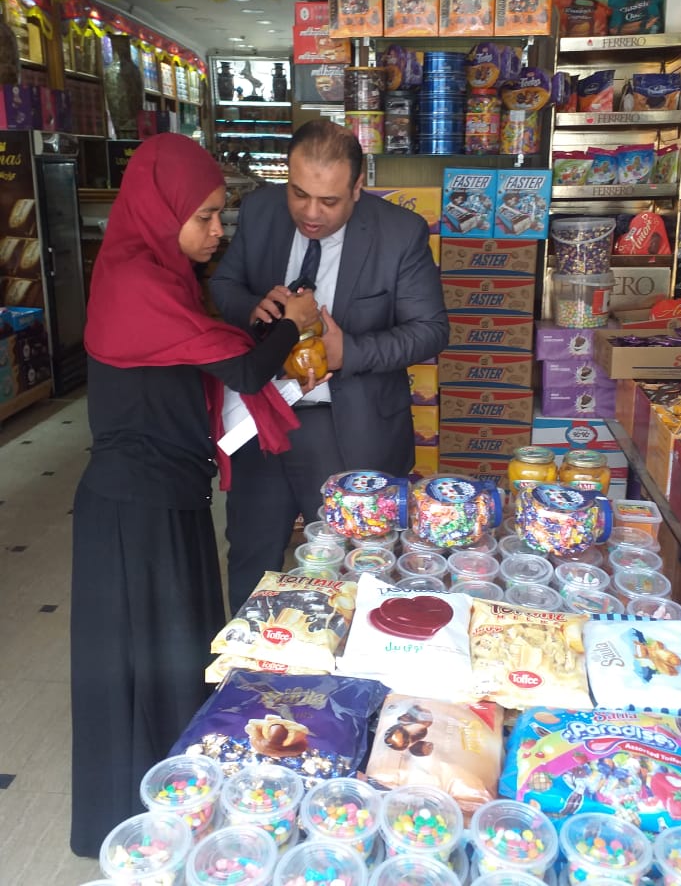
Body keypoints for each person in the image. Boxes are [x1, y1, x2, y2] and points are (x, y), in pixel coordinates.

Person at [70, 133, 323, 858]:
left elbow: (205, 351)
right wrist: (296, 323)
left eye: (222, 215)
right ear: (162, 210)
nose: (218, 231)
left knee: (175, 654)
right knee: (138, 664)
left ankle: (181, 799)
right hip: (134, 507)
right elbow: (242, 371)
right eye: (206, 216)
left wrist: (260, 325)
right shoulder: (133, 280)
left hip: (169, 495)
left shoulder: (166, 274)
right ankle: (133, 819)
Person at [210, 119, 450, 613]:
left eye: (329, 201)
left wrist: (349, 353)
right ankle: (247, 654)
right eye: (299, 194)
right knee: (251, 555)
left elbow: (430, 329)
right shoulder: (260, 210)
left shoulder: (399, 233)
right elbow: (224, 286)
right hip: (262, 416)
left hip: (348, 426)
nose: (310, 213)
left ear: (357, 187)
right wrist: (253, 307)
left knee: (351, 568)